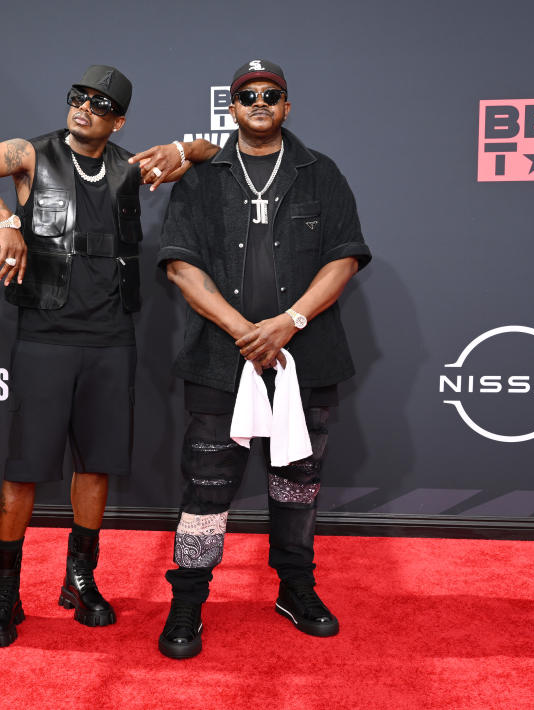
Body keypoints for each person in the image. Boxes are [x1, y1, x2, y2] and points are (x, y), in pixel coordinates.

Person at [0, 65, 216, 647]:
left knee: (94, 465)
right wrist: (6, 218)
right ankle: (5, 589)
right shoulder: (30, 154)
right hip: (45, 332)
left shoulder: (131, 165)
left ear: (118, 120)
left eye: (100, 103)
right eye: (78, 97)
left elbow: (211, 151)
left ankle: (79, 578)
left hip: (112, 336)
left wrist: (180, 145)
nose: (85, 108)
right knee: (24, 468)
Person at [156, 59, 372, 659]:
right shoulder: (200, 180)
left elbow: (344, 259)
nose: (258, 101)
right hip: (218, 363)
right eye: (246, 94)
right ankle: (189, 598)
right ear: (231, 106)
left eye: (269, 94)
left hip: (307, 360)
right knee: (205, 489)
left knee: (298, 486)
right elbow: (180, 266)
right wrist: (243, 330)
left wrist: (288, 322)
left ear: (286, 105)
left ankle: (296, 588)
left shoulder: (319, 173)